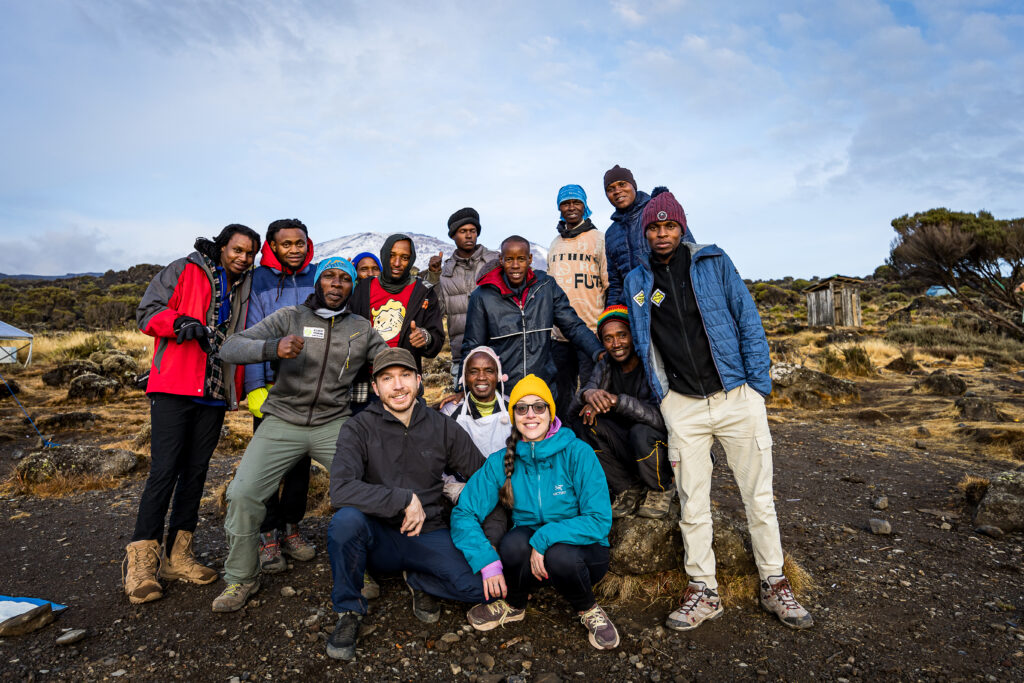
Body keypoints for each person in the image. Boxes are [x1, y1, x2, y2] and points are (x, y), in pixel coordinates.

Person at [624, 188, 813, 632]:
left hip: (736, 399)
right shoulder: (637, 282)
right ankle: (703, 591)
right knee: (693, 503)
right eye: (654, 227)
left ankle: (773, 583)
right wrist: (665, 398)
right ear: (645, 232)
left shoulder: (712, 262)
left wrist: (757, 389)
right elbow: (643, 341)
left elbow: (748, 319)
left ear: (682, 226)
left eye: (670, 225)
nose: (663, 233)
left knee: (759, 500)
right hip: (683, 407)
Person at [210, 257, 390, 612]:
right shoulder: (289, 317)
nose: (336, 284)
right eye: (329, 277)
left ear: (352, 287)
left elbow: (387, 358)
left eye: (344, 279)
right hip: (283, 421)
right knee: (243, 494)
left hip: (334, 423)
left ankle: (363, 568)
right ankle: (241, 578)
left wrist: (407, 359)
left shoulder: (360, 327)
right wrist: (271, 348)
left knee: (365, 491)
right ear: (318, 283)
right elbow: (229, 347)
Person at [124, 224, 260, 605]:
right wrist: (179, 322)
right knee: (164, 470)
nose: (243, 258)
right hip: (173, 385)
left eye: (250, 253)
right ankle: (141, 566)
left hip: (214, 392)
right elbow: (147, 312)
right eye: (237, 250)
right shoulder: (184, 270)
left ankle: (178, 557)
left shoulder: (244, 286)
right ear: (221, 248)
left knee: (196, 473)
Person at [325, 348, 487, 661]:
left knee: (480, 588)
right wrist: (402, 498)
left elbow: (481, 475)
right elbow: (341, 490)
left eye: (405, 376)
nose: (398, 386)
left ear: (419, 380)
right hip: (378, 537)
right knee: (345, 523)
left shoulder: (441, 426)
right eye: (387, 379)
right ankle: (349, 611)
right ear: (375, 387)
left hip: (428, 533)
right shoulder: (357, 428)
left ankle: (419, 577)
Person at [450, 375, 619, 650]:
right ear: (513, 414)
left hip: (582, 555)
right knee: (513, 543)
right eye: (522, 408)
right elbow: (464, 512)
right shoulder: (501, 460)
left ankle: (587, 607)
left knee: (560, 554)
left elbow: (599, 520)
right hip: (531, 561)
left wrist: (545, 537)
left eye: (539, 407)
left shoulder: (578, 453)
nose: (531, 415)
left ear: (551, 412)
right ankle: (515, 603)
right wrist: (486, 561)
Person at [244, 218, 317, 574]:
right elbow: (251, 335)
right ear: (272, 246)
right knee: (267, 465)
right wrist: (255, 387)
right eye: (285, 244)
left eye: (298, 243)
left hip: (308, 387)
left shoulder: (317, 276)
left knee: (300, 464)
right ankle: (267, 533)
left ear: (308, 243)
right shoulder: (257, 281)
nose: (293, 249)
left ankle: (292, 528)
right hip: (271, 387)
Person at [459, 236, 602, 402]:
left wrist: (598, 351)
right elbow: (473, 345)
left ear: (530, 259)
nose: (515, 266)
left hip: (542, 387)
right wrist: (462, 388)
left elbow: (573, 326)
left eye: (521, 259)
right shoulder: (482, 296)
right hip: (503, 391)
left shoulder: (546, 286)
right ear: (501, 259)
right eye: (509, 259)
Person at [576, 305, 673, 519]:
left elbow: (663, 419)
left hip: (658, 447)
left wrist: (618, 402)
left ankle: (660, 488)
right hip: (627, 445)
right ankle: (628, 489)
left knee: (641, 432)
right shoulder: (605, 366)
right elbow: (578, 403)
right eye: (608, 338)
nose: (616, 344)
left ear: (633, 335)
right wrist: (588, 395)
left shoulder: (651, 365)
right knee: (585, 424)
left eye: (622, 335)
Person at [439, 345, 511, 546]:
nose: (481, 377)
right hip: (464, 491)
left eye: (488, 370)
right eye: (473, 371)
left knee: (494, 536)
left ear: (498, 376)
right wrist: (455, 490)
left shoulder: (514, 408)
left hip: (504, 495)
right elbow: (437, 463)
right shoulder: (450, 412)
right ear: (464, 377)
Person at [547, 185, 608, 419]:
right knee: (562, 394)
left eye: (576, 202)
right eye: (565, 203)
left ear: (585, 205)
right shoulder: (555, 243)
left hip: (591, 331)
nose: (571, 208)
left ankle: (593, 444)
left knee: (592, 391)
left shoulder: (599, 240)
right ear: (559, 208)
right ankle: (565, 439)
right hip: (559, 335)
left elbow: (608, 283)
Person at [424, 208, 499, 389]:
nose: (469, 236)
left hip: (498, 350)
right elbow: (438, 309)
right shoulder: (445, 271)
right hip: (462, 355)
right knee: (463, 410)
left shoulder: (495, 262)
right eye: (463, 231)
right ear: (453, 236)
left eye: (472, 231)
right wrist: (434, 276)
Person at [349, 234, 444, 374]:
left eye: (404, 257)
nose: (397, 263)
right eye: (392, 255)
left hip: (405, 378)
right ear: (384, 255)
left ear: (411, 260)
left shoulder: (423, 291)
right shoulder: (363, 288)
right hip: (365, 381)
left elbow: (436, 337)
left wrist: (425, 337)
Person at [602, 165, 695, 306]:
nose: (617, 191)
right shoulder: (610, 234)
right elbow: (616, 283)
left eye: (622, 184)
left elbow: (690, 254)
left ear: (633, 185)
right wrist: (611, 315)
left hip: (674, 301)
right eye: (610, 189)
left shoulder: (658, 211)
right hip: (635, 307)